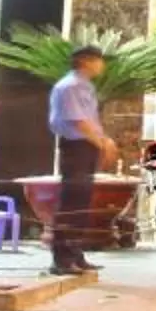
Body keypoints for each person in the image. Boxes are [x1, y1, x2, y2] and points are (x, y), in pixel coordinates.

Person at [47, 45, 115, 276]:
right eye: (99, 60)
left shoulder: (86, 86)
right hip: (75, 147)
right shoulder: (70, 86)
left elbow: (90, 120)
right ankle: (62, 259)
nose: (102, 65)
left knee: (81, 202)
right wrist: (102, 143)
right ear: (86, 61)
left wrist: (101, 142)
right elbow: (78, 121)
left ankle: (76, 254)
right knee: (72, 202)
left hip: (86, 147)